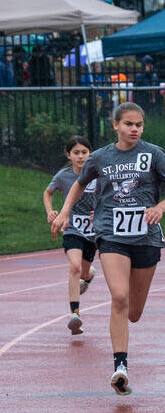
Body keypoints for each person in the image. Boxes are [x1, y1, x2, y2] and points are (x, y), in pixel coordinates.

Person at [51, 102, 165, 396]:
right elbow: (78, 184)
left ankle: (121, 352)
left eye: (139, 124)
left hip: (146, 238)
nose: (134, 129)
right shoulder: (100, 157)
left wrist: (160, 207)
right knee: (119, 297)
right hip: (111, 233)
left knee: (134, 312)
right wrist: (63, 212)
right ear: (115, 125)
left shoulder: (154, 154)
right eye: (128, 124)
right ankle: (120, 367)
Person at [43, 136, 97, 335]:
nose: (81, 156)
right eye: (76, 153)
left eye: (84, 152)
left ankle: (90, 274)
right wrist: (51, 211)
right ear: (69, 155)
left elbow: (111, 196)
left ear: (90, 154)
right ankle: (75, 314)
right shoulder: (63, 176)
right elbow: (48, 193)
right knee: (74, 267)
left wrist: (100, 211)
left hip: (93, 232)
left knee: (83, 272)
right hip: (72, 228)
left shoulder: (97, 174)